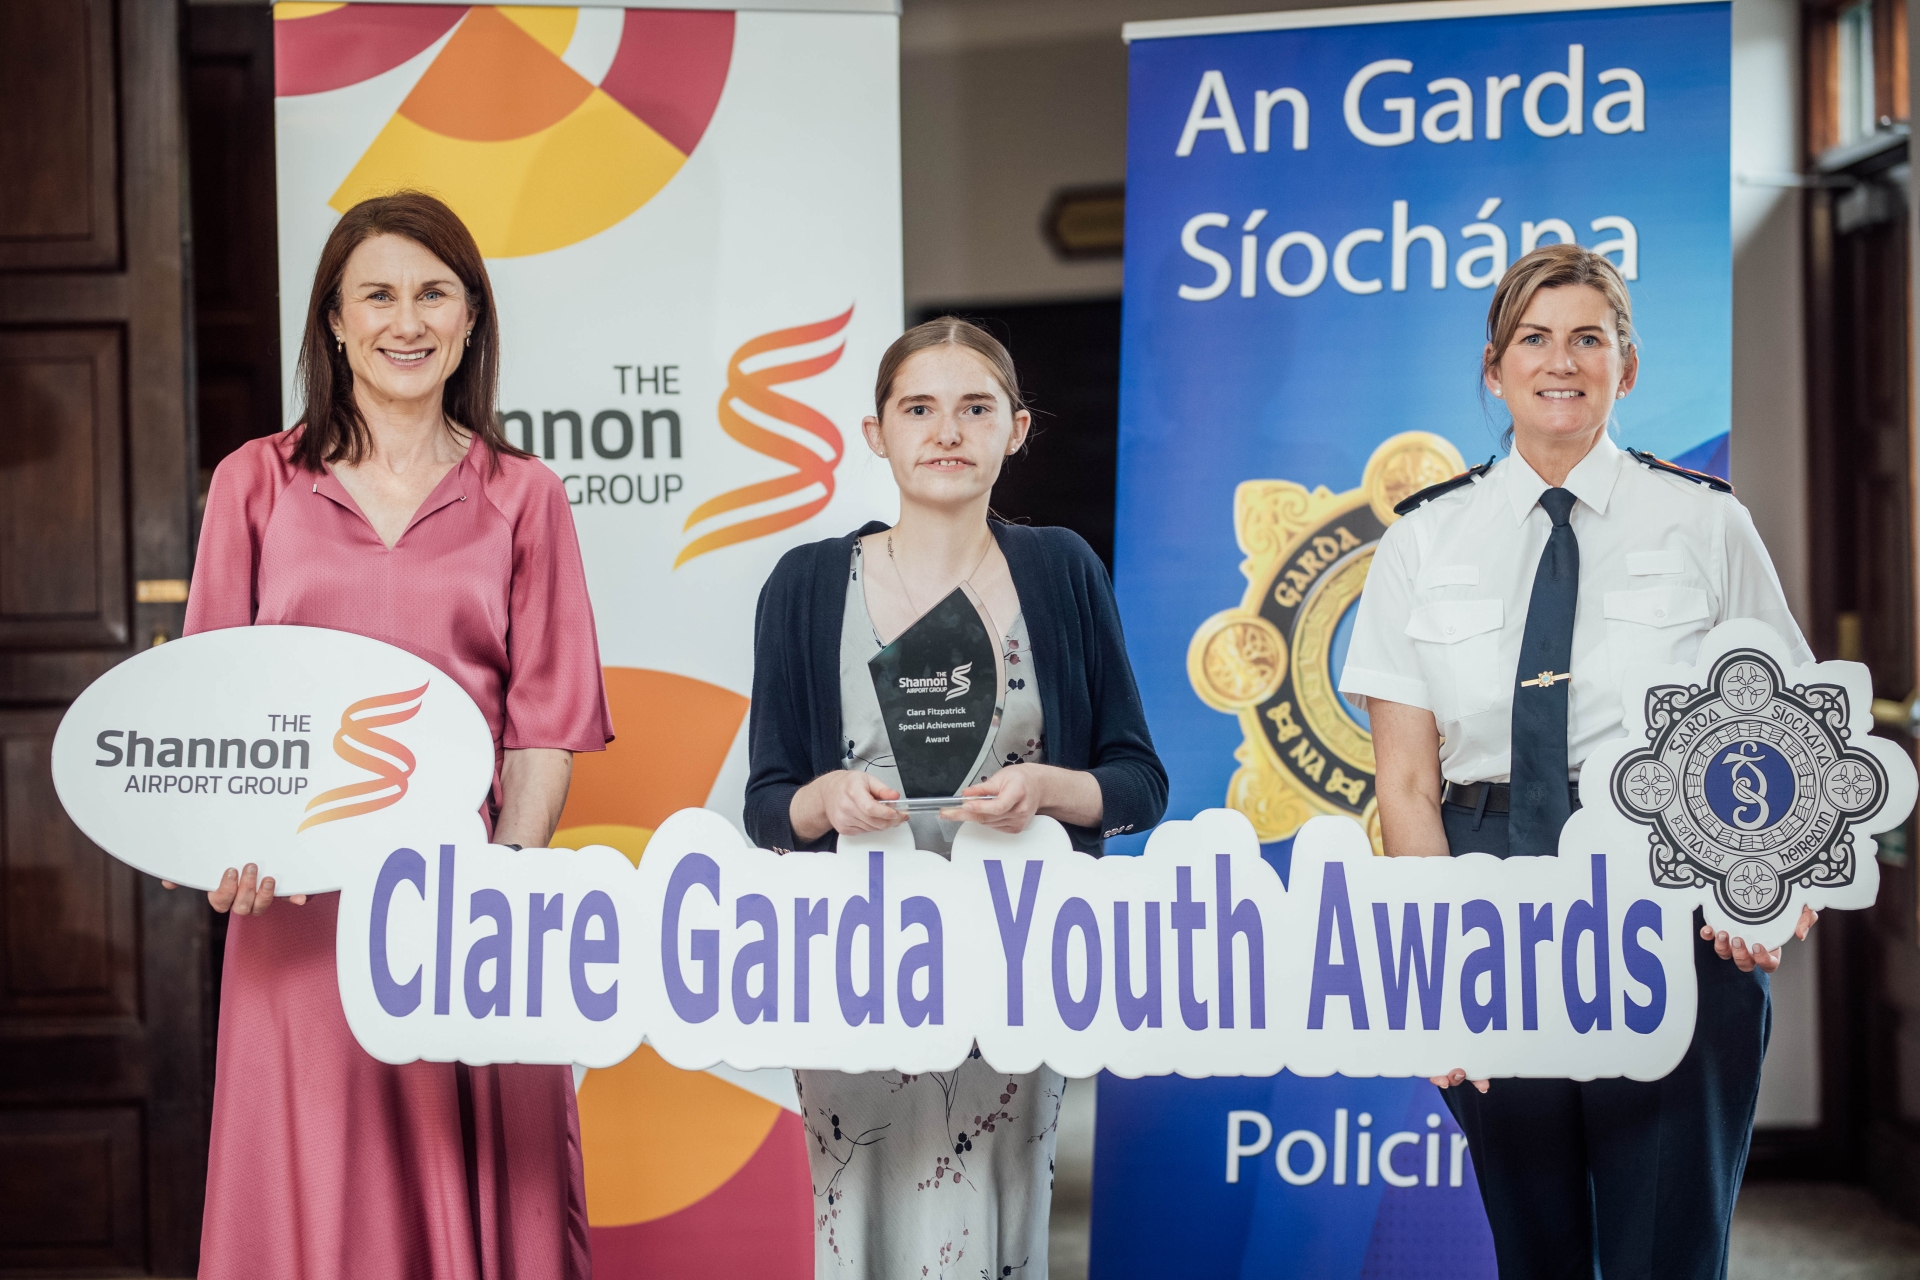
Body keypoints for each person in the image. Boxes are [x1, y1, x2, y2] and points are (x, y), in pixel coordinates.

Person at [1339, 243, 1815, 1279]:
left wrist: (1772, 882)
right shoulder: (1422, 542)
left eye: (1589, 338)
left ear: (1626, 367)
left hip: (1672, 897)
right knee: (1536, 1249)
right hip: (1489, 904)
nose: (1562, 361)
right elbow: (1408, 783)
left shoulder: (1706, 522)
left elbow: (1784, 729)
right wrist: (1435, 969)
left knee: (1668, 1249)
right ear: (1495, 367)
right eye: (1535, 339)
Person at [180, 191, 612, 1279]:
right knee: (317, 1196)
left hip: (466, 907)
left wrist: (499, 898)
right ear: (334, 320)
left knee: (475, 1185)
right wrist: (221, 848)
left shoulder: (526, 496)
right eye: (377, 294)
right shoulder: (253, 483)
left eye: (433, 294)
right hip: (295, 914)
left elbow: (542, 730)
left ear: (470, 320)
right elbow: (207, 713)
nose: (406, 321)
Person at [745, 317, 1167, 1277]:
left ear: (1016, 430)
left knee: (999, 1224)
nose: (946, 431)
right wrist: (826, 801)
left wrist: (1046, 790)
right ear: (876, 433)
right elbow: (768, 804)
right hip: (854, 966)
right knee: (860, 1226)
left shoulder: (1061, 570)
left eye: (975, 409)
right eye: (918, 409)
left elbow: (1139, 785)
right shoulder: (806, 585)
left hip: (1013, 965)